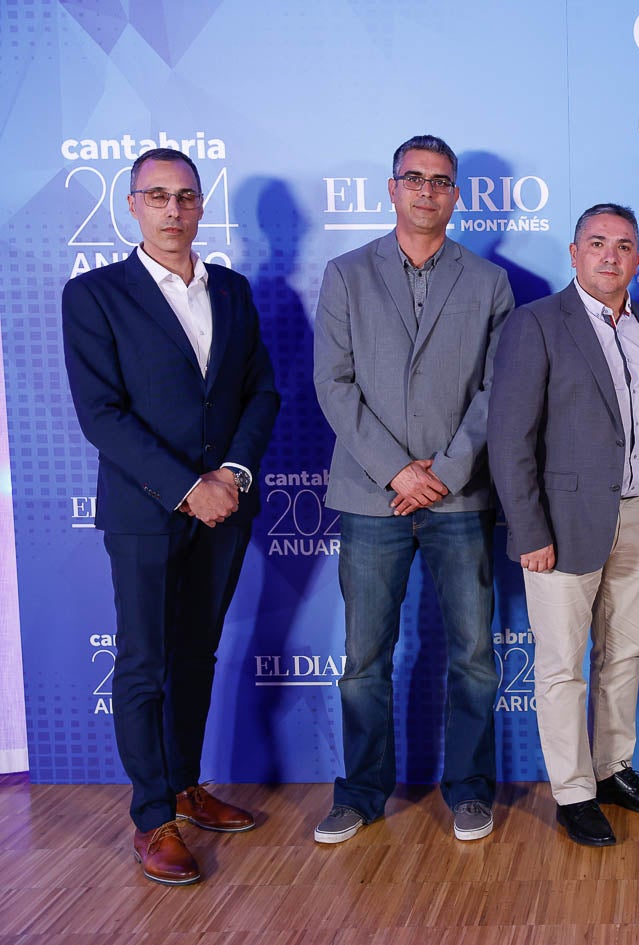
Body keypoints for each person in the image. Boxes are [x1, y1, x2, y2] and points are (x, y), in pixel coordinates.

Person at [62, 147, 279, 884]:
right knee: (144, 663)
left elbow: (260, 394)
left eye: (185, 196)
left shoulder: (235, 290)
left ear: (200, 204)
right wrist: (190, 486)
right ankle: (153, 817)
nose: (174, 210)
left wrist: (234, 474)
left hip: (228, 504)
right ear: (132, 205)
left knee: (195, 654)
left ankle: (186, 785)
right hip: (147, 509)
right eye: (157, 196)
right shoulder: (93, 295)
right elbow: (102, 415)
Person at [311, 135, 514, 845]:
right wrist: (398, 470)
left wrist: (447, 471)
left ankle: (468, 789)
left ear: (456, 196)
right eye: (414, 178)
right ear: (391, 188)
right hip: (373, 497)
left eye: (441, 181)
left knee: (473, 655)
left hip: (459, 498)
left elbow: (497, 391)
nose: (427, 191)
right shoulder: (345, 275)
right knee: (364, 658)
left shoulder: (489, 282)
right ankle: (362, 793)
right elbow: (331, 383)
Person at [488, 203, 639, 847]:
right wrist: (529, 530)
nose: (609, 255)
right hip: (562, 525)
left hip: (638, 514)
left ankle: (613, 767)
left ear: (637, 259)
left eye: (623, 245)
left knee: (624, 654)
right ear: (573, 253)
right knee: (562, 666)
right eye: (596, 243)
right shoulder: (536, 323)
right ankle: (573, 792)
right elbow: (510, 439)